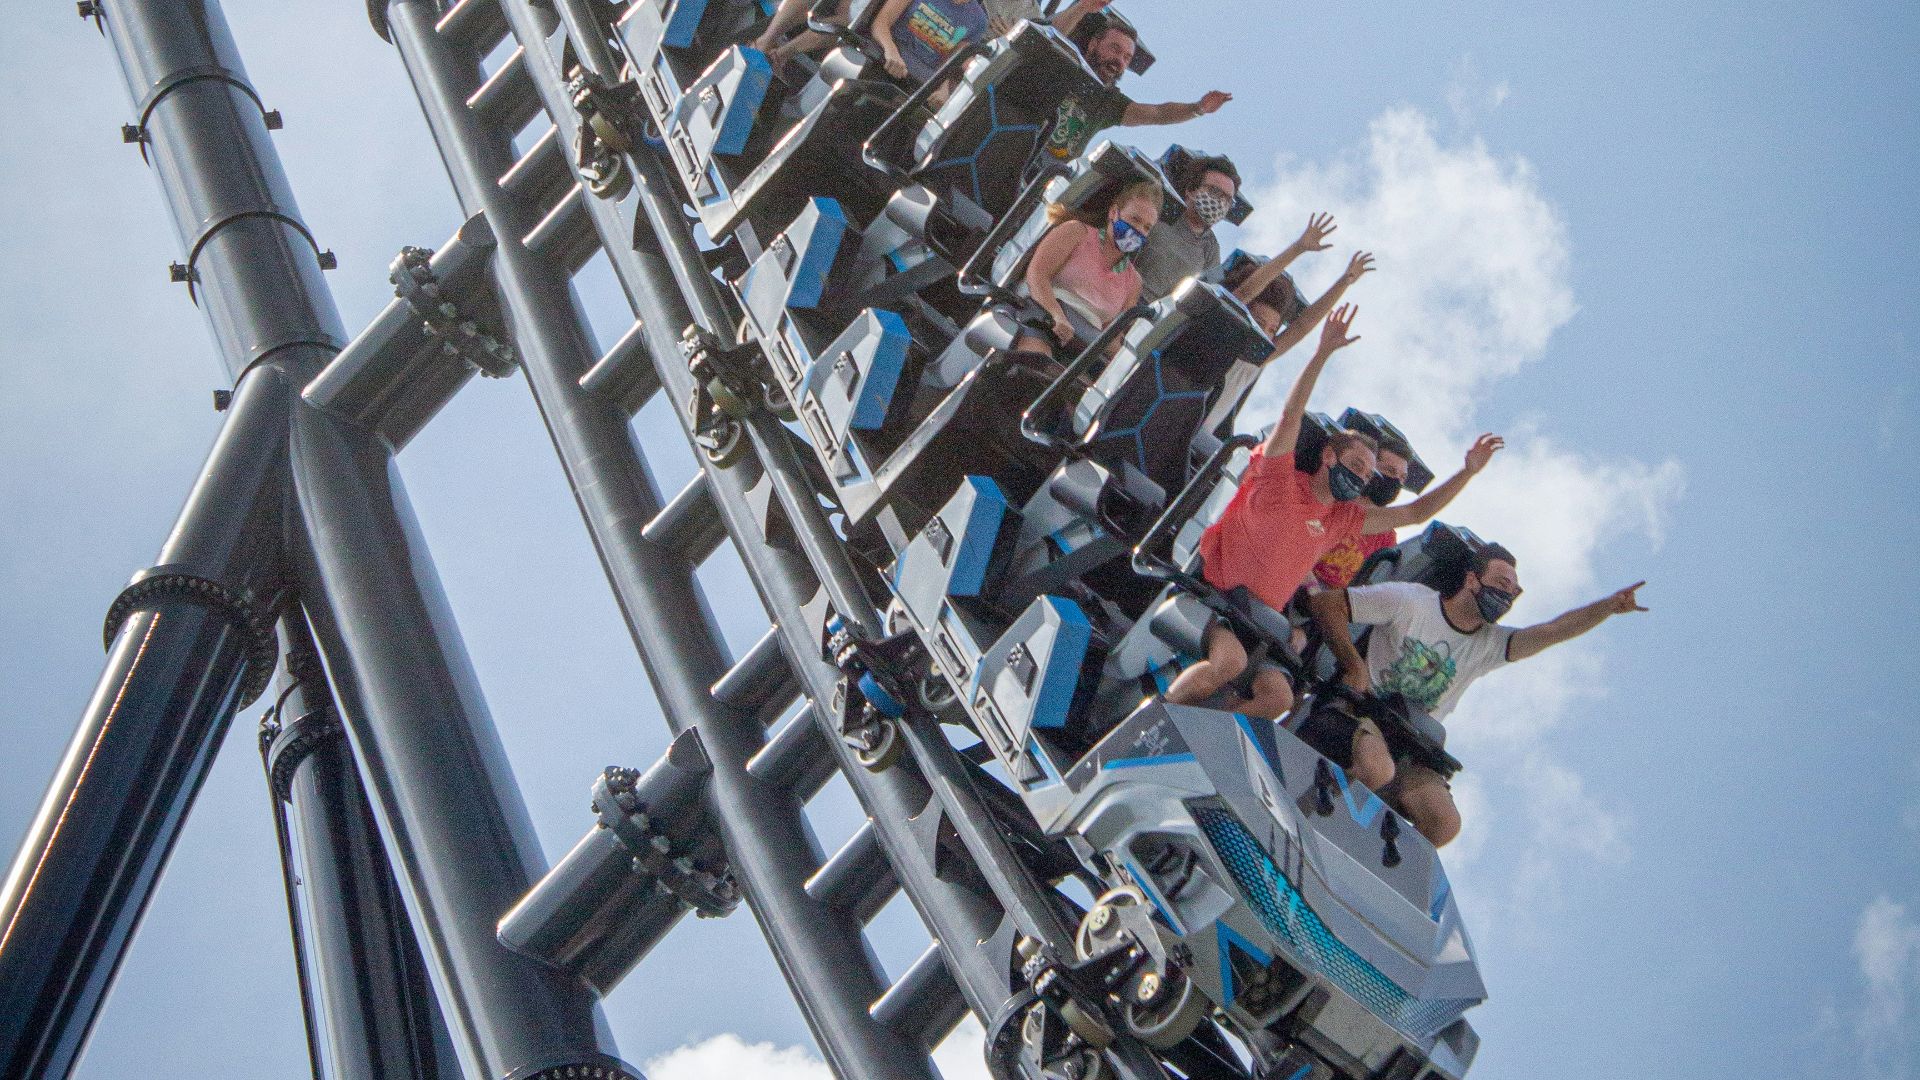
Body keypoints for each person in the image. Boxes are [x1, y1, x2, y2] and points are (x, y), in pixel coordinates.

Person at [1161, 305, 1503, 754]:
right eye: (1357, 466)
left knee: (1278, 697)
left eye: (1367, 475)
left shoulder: (1343, 518)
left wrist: (1468, 472)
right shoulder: (1280, 478)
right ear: (1328, 457)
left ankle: (1190, 744)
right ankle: (1161, 723)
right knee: (1230, 662)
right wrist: (1321, 352)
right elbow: (1291, 414)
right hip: (1213, 596)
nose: (1363, 478)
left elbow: (1416, 514)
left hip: (1260, 621)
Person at [1308, 549, 1649, 846]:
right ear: (1472, 580)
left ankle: (1359, 863)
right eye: (1501, 584)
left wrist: (1606, 607)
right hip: (1355, 714)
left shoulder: (1489, 645)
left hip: (1407, 747)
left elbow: (1552, 631)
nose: (1507, 595)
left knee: (1445, 823)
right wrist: (1353, 664)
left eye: (1514, 592)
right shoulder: (1412, 601)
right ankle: (1305, 820)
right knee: (1376, 767)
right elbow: (1328, 603)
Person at [1038, 19, 1231, 169]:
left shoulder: (1109, 103)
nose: (1119, 61)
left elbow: (1158, 113)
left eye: (1127, 57)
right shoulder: (1063, 61)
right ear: (1093, 44)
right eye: (1115, 49)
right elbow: (1046, 36)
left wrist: (1198, 108)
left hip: (1044, 176)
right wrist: (1085, 6)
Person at [752, 0, 1105, 79]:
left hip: (936, 41)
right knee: (857, 13)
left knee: (854, 18)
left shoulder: (1024, 7)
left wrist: (1085, 6)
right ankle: (768, 41)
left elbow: (1042, 35)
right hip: (898, 17)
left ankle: (782, 52)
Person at [1013, 177, 1163, 360]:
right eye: (1135, 219)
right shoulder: (1076, 232)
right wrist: (1056, 316)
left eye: (1146, 227)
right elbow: (1037, 274)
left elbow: (1111, 333)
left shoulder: (1133, 282)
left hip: (1081, 346)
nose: (1138, 229)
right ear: (1114, 212)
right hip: (1039, 317)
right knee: (1037, 359)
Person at [1312, 428, 1419, 589]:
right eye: (1390, 471)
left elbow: (1372, 583)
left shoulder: (1386, 536)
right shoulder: (1332, 497)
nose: (1395, 481)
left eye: (1402, 477)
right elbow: (1302, 537)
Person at [1134, 153, 1239, 303]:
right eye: (1215, 191)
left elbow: (1208, 293)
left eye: (1228, 200)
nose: (1220, 202)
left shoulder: (1211, 248)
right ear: (1191, 190)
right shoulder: (1161, 211)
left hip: (1153, 317)